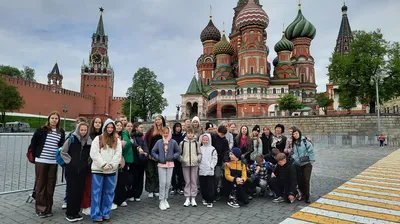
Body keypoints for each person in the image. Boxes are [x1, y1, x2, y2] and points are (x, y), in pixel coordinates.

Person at [31, 111, 65, 218]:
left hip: (53, 162)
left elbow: (61, 146)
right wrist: (36, 155)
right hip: (41, 160)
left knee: (50, 185)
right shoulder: (42, 130)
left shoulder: (61, 132)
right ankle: (41, 209)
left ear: (58, 120)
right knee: (41, 184)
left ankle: (48, 208)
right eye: (52, 118)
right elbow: (34, 143)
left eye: (56, 118)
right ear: (49, 119)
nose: (54, 120)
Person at [90, 119, 122, 222]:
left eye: (112, 127)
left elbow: (118, 154)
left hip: (111, 170)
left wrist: (112, 165)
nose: (110, 129)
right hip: (98, 170)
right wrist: (103, 164)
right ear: (104, 128)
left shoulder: (117, 140)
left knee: (109, 192)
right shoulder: (98, 138)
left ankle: (106, 212)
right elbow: (94, 153)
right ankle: (96, 214)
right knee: (96, 192)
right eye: (108, 127)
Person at [61, 122, 90, 222]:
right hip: (72, 170)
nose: (83, 132)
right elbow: (63, 152)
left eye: (85, 130)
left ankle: (76, 212)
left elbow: (90, 155)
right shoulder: (71, 139)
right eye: (81, 130)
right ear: (78, 129)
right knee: (72, 191)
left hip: (82, 170)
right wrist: (70, 162)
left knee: (79, 191)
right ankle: (70, 213)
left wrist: (87, 164)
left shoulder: (88, 141)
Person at [151, 127, 181, 211]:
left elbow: (178, 151)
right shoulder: (159, 142)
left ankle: (165, 199)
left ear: (169, 133)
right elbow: (153, 151)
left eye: (167, 132)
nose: (165, 134)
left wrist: (172, 157)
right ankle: (161, 200)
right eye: (164, 133)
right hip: (161, 164)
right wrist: (159, 157)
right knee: (162, 183)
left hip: (170, 164)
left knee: (168, 183)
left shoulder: (173, 142)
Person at [81, 117, 103, 216]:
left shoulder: (103, 135)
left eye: (100, 122)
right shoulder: (89, 135)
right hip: (90, 163)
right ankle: (86, 206)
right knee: (88, 185)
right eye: (96, 122)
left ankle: (95, 205)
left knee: (97, 186)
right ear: (93, 123)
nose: (98, 124)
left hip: (101, 163)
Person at [113, 121, 134, 209]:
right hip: (113, 160)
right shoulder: (112, 134)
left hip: (121, 160)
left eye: (120, 125)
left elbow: (127, 144)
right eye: (117, 125)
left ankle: (119, 199)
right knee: (114, 181)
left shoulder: (123, 134)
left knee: (121, 180)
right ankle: (113, 199)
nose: (119, 127)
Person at [144, 115, 166, 198]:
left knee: (158, 172)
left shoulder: (165, 130)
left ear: (162, 120)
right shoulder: (151, 130)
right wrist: (147, 153)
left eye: (159, 119)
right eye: (156, 119)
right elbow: (145, 141)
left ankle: (156, 189)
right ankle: (150, 190)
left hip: (160, 155)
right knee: (150, 172)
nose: (157, 121)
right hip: (150, 154)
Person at [291, 128, 315, 204]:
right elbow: (294, 152)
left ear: (299, 133)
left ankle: (307, 196)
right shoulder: (294, 143)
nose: (295, 135)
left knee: (306, 180)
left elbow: (311, 151)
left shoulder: (305, 141)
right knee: (300, 180)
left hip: (306, 163)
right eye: (294, 134)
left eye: (296, 133)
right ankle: (303, 194)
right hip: (297, 164)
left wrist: (311, 160)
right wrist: (294, 158)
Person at [180, 128, 201, 207]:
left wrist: (197, 159)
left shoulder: (196, 143)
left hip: (194, 164)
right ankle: (187, 198)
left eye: (191, 133)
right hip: (185, 164)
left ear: (193, 134)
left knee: (194, 181)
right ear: (186, 134)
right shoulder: (182, 143)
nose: (190, 135)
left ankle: (193, 198)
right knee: (187, 181)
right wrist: (182, 159)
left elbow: (199, 153)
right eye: (188, 133)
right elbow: (179, 153)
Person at [129, 122, 149, 202]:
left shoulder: (143, 137)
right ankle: (131, 194)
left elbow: (145, 146)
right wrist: (138, 148)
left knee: (140, 178)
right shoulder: (132, 136)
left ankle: (137, 194)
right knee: (134, 178)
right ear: (136, 128)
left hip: (142, 160)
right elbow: (134, 145)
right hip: (134, 161)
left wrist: (146, 152)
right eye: (140, 127)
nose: (142, 129)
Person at [211, 125, 230, 200]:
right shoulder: (213, 137)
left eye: (223, 135)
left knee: (217, 176)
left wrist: (226, 160)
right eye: (221, 134)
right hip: (211, 160)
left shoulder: (225, 141)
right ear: (218, 132)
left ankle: (216, 192)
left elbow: (226, 151)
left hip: (219, 161)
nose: (222, 136)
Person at [198, 134, 217, 208]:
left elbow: (214, 158)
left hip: (209, 170)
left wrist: (211, 166)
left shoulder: (212, 149)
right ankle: (204, 198)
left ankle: (210, 200)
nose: (205, 141)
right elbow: (199, 158)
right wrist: (199, 166)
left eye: (206, 140)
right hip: (202, 169)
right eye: (204, 140)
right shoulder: (200, 148)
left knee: (210, 186)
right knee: (203, 185)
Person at [171, 123, 185, 195]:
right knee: (173, 173)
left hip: (180, 155)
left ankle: (180, 186)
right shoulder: (171, 136)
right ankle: (174, 186)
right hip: (173, 156)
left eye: (179, 127)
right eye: (177, 127)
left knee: (180, 172)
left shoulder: (183, 136)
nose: (178, 128)